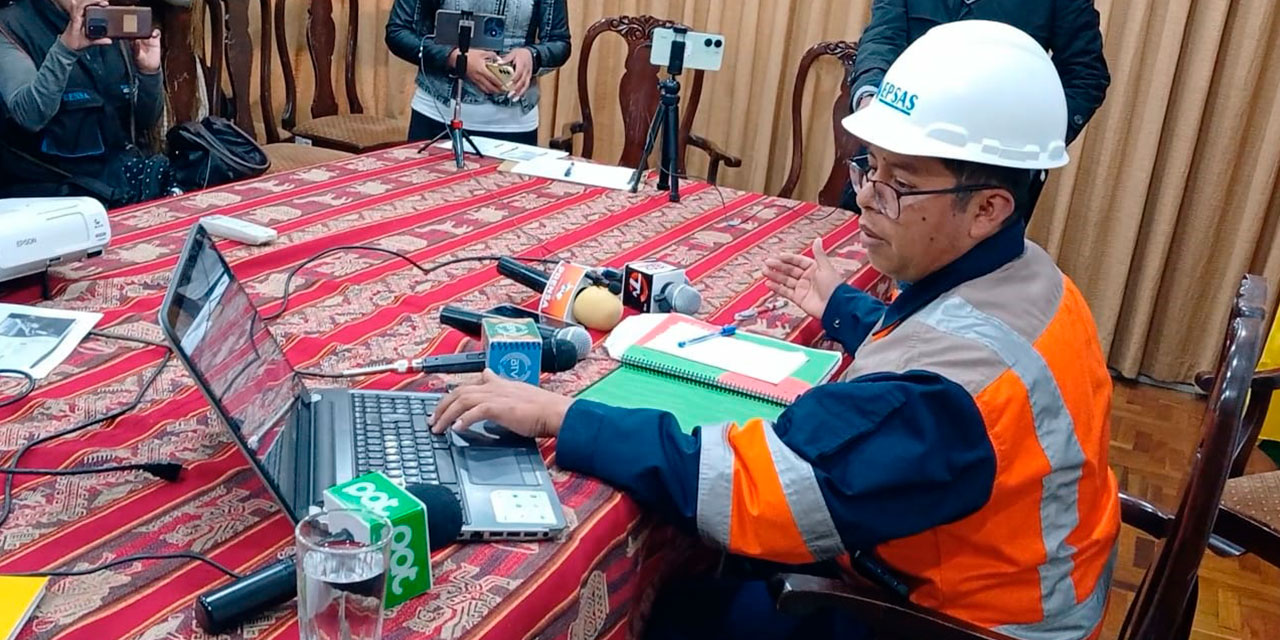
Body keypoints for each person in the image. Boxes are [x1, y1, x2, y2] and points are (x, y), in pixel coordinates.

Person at [429, 20, 1119, 640]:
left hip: (953, 621)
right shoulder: (1028, 277)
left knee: (677, 608)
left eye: (898, 184)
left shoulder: (944, 399)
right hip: (993, 574)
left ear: (989, 207)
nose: (866, 198)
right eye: (868, 167)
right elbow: (935, 341)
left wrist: (564, 415)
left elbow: (758, 493)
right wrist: (844, 309)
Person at [842, 0, 1110, 217]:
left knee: (965, 278)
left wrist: (1034, 141)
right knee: (851, 262)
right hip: (893, 152)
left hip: (989, 172)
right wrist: (870, 102)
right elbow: (882, 38)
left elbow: (1085, 75)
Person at [0, 0, 172, 206]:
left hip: (123, 183)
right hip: (55, 197)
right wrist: (65, 50)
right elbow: (30, 115)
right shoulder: (11, 28)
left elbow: (144, 120)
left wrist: (149, 73)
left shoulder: (108, 20)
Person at [385, 0, 570, 146]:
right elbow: (398, 31)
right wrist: (455, 58)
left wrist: (532, 56)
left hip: (514, 124)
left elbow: (559, 41)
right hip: (438, 116)